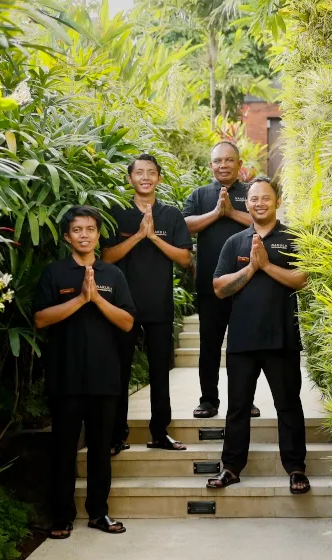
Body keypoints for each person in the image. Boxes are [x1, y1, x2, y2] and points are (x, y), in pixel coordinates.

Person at [33, 205, 135, 539]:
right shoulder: (54, 273)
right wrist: (79, 299)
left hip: (105, 379)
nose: (84, 235)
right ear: (67, 236)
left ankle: (98, 513)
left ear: (97, 234)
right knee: (63, 451)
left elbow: (127, 321)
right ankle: (62, 516)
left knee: (100, 452)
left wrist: (97, 300)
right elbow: (40, 319)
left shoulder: (112, 275)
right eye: (77, 229)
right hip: (65, 379)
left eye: (90, 229)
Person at [206, 177, 311, 495]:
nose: (259, 203)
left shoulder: (293, 239)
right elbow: (219, 288)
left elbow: (301, 279)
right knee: (237, 407)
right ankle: (231, 468)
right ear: (247, 203)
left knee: (288, 404)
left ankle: (295, 468)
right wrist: (251, 268)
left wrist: (265, 266)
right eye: (253, 199)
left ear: (277, 201)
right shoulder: (235, 242)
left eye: (266, 198)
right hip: (242, 340)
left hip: (282, 338)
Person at [103, 153, 193, 453]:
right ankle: (117, 435)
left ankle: (159, 433)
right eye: (139, 172)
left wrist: (154, 237)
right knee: (119, 371)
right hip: (122, 307)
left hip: (159, 304)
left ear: (159, 178)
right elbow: (106, 257)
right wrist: (138, 236)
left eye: (151, 172)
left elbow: (184, 259)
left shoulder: (171, 215)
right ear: (129, 179)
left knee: (159, 372)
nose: (145, 177)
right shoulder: (117, 214)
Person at [182, 142, 259, 419]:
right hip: (209, 285)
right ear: (211, 165)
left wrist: (231, 213)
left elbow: (261, 219)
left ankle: (245, 400)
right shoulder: (200, 195)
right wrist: (216, 213)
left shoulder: (251, 193)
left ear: (240, 165)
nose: (223, 165)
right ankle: (208, 401)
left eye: (229, 160)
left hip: (247, 284)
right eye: (218, 161)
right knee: (210, 345)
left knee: (245, 345)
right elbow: (185, 225)